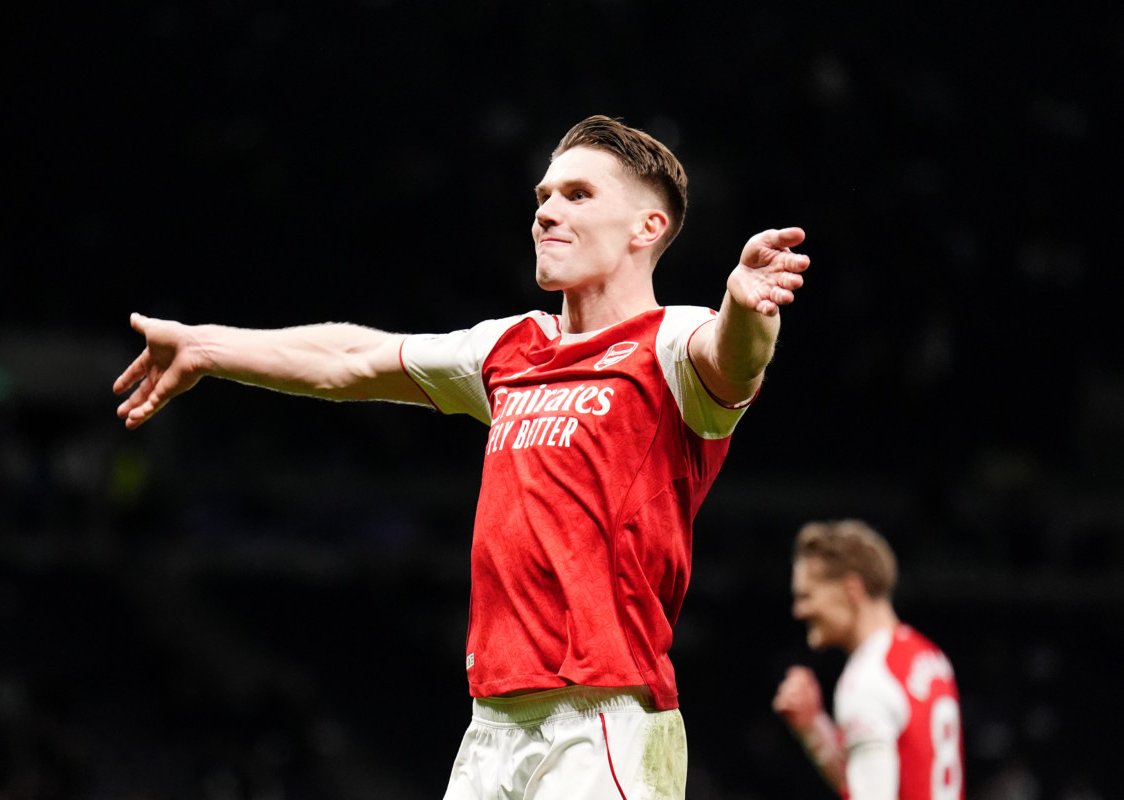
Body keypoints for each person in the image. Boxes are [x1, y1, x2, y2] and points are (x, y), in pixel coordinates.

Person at [115, 115, 810, 799]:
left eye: (577, 195)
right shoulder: (509, 349)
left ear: (646, 228)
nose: (546, 213)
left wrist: (746, 312)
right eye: (542, 198)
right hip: (490, 727)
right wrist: (209, 347)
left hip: (604, 725)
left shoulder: (670, 343)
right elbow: (352, 358)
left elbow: (732, 360)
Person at [772, 519, 964, 800]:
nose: (799, 611)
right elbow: (883, 774)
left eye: (807, 596)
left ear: (852, 590)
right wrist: (813, 728)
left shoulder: (867, 681)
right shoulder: (930, 657)